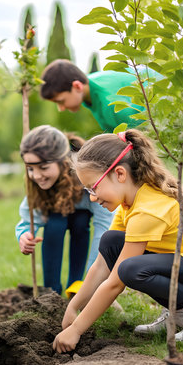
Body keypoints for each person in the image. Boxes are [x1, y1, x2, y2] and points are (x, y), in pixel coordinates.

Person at [52, 130, 183, 352]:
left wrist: (76, 330)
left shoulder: (148, 210)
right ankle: (179, 313)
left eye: (93, 187)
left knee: (130, 270)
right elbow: (102, 264)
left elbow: (115, 282)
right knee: (111, 242)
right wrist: (73, 307)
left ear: (120, 174)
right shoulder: (128, 203)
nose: (92, 197)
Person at [16, 125, 114, 294]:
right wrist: (24, 235)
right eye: (30, 169)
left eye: (43, 167)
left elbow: (103, 229)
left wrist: (91, 279)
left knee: (80, 221)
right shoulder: (38, 185)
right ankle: (51, 292)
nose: (37, 175)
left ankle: (76, 286)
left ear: (63, 162)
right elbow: (27, 221)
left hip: (81, 219)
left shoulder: (86, 178)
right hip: (55, 218)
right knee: (55, 223)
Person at [40, 59, 159, 133]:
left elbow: (143, 141)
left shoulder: (112, 105)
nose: (61, 108)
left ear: (77, 86)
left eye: (60, 101)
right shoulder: (90, 83)